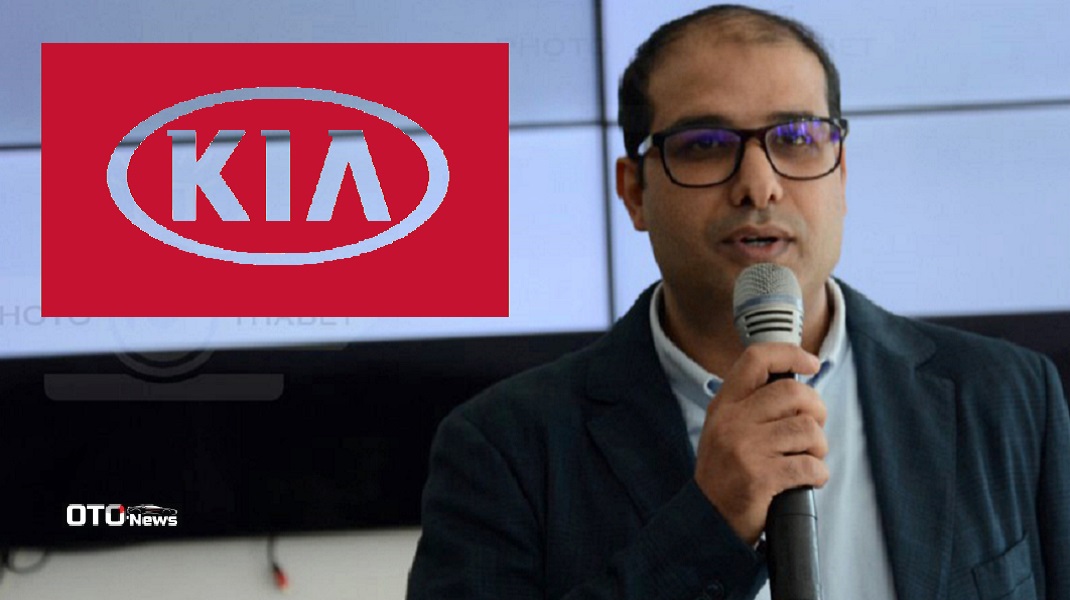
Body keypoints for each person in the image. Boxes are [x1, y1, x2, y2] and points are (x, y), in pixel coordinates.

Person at [407, 5, 1070, 599]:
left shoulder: (1007, 395)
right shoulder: (504, 446)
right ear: (634, 192)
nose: (759, 185)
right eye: (705, 145)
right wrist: (709, 524)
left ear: (841, 173)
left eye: (797, 138)